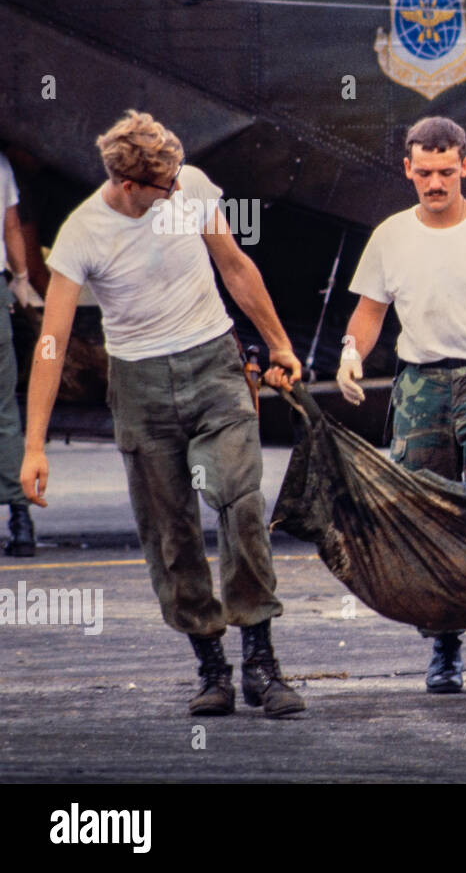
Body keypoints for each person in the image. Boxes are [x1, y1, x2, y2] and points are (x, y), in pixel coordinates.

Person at [21, 110, 307, 717]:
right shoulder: (83, 234)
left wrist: (278, 342)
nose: (177, 189)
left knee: (241, 504)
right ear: (129, 187)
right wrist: (34, 446)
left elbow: (234, 265)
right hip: (140, 385)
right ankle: (211, 667)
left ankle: (260, 660)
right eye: (163, 186)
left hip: (214, 368)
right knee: (168, 532)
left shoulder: (190, 187)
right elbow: (53, 339)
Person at [337, 116, 466, 700]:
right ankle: (444, 645)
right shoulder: (390, 236)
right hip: (421, 387)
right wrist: (351, 353)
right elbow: (370, 312)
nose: (435, 183)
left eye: (446, 172)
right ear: (408, 169)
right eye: (424, 172)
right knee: (426, 516)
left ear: (465, 168)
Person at [0, 150, 42, 557]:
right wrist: (22, 280)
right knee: (5, 412)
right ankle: (21, 523)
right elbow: (12, 226)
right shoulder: (2, 164)